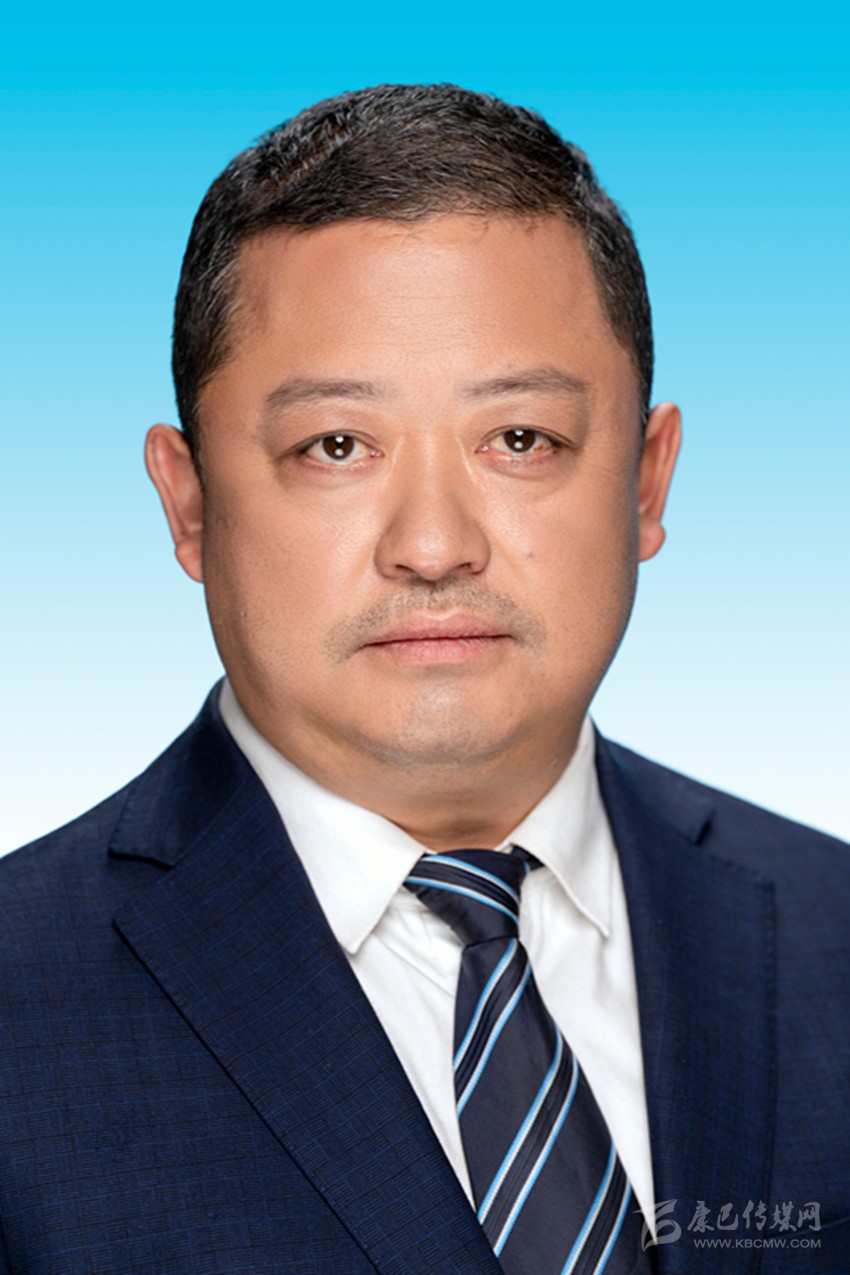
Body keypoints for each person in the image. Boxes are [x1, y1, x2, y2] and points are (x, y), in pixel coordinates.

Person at [0, 84, 847, 1275]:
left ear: (646, 481)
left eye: (521, 440)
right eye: (336, 446)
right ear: (188, 504)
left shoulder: (829, 924)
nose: (436, 545)